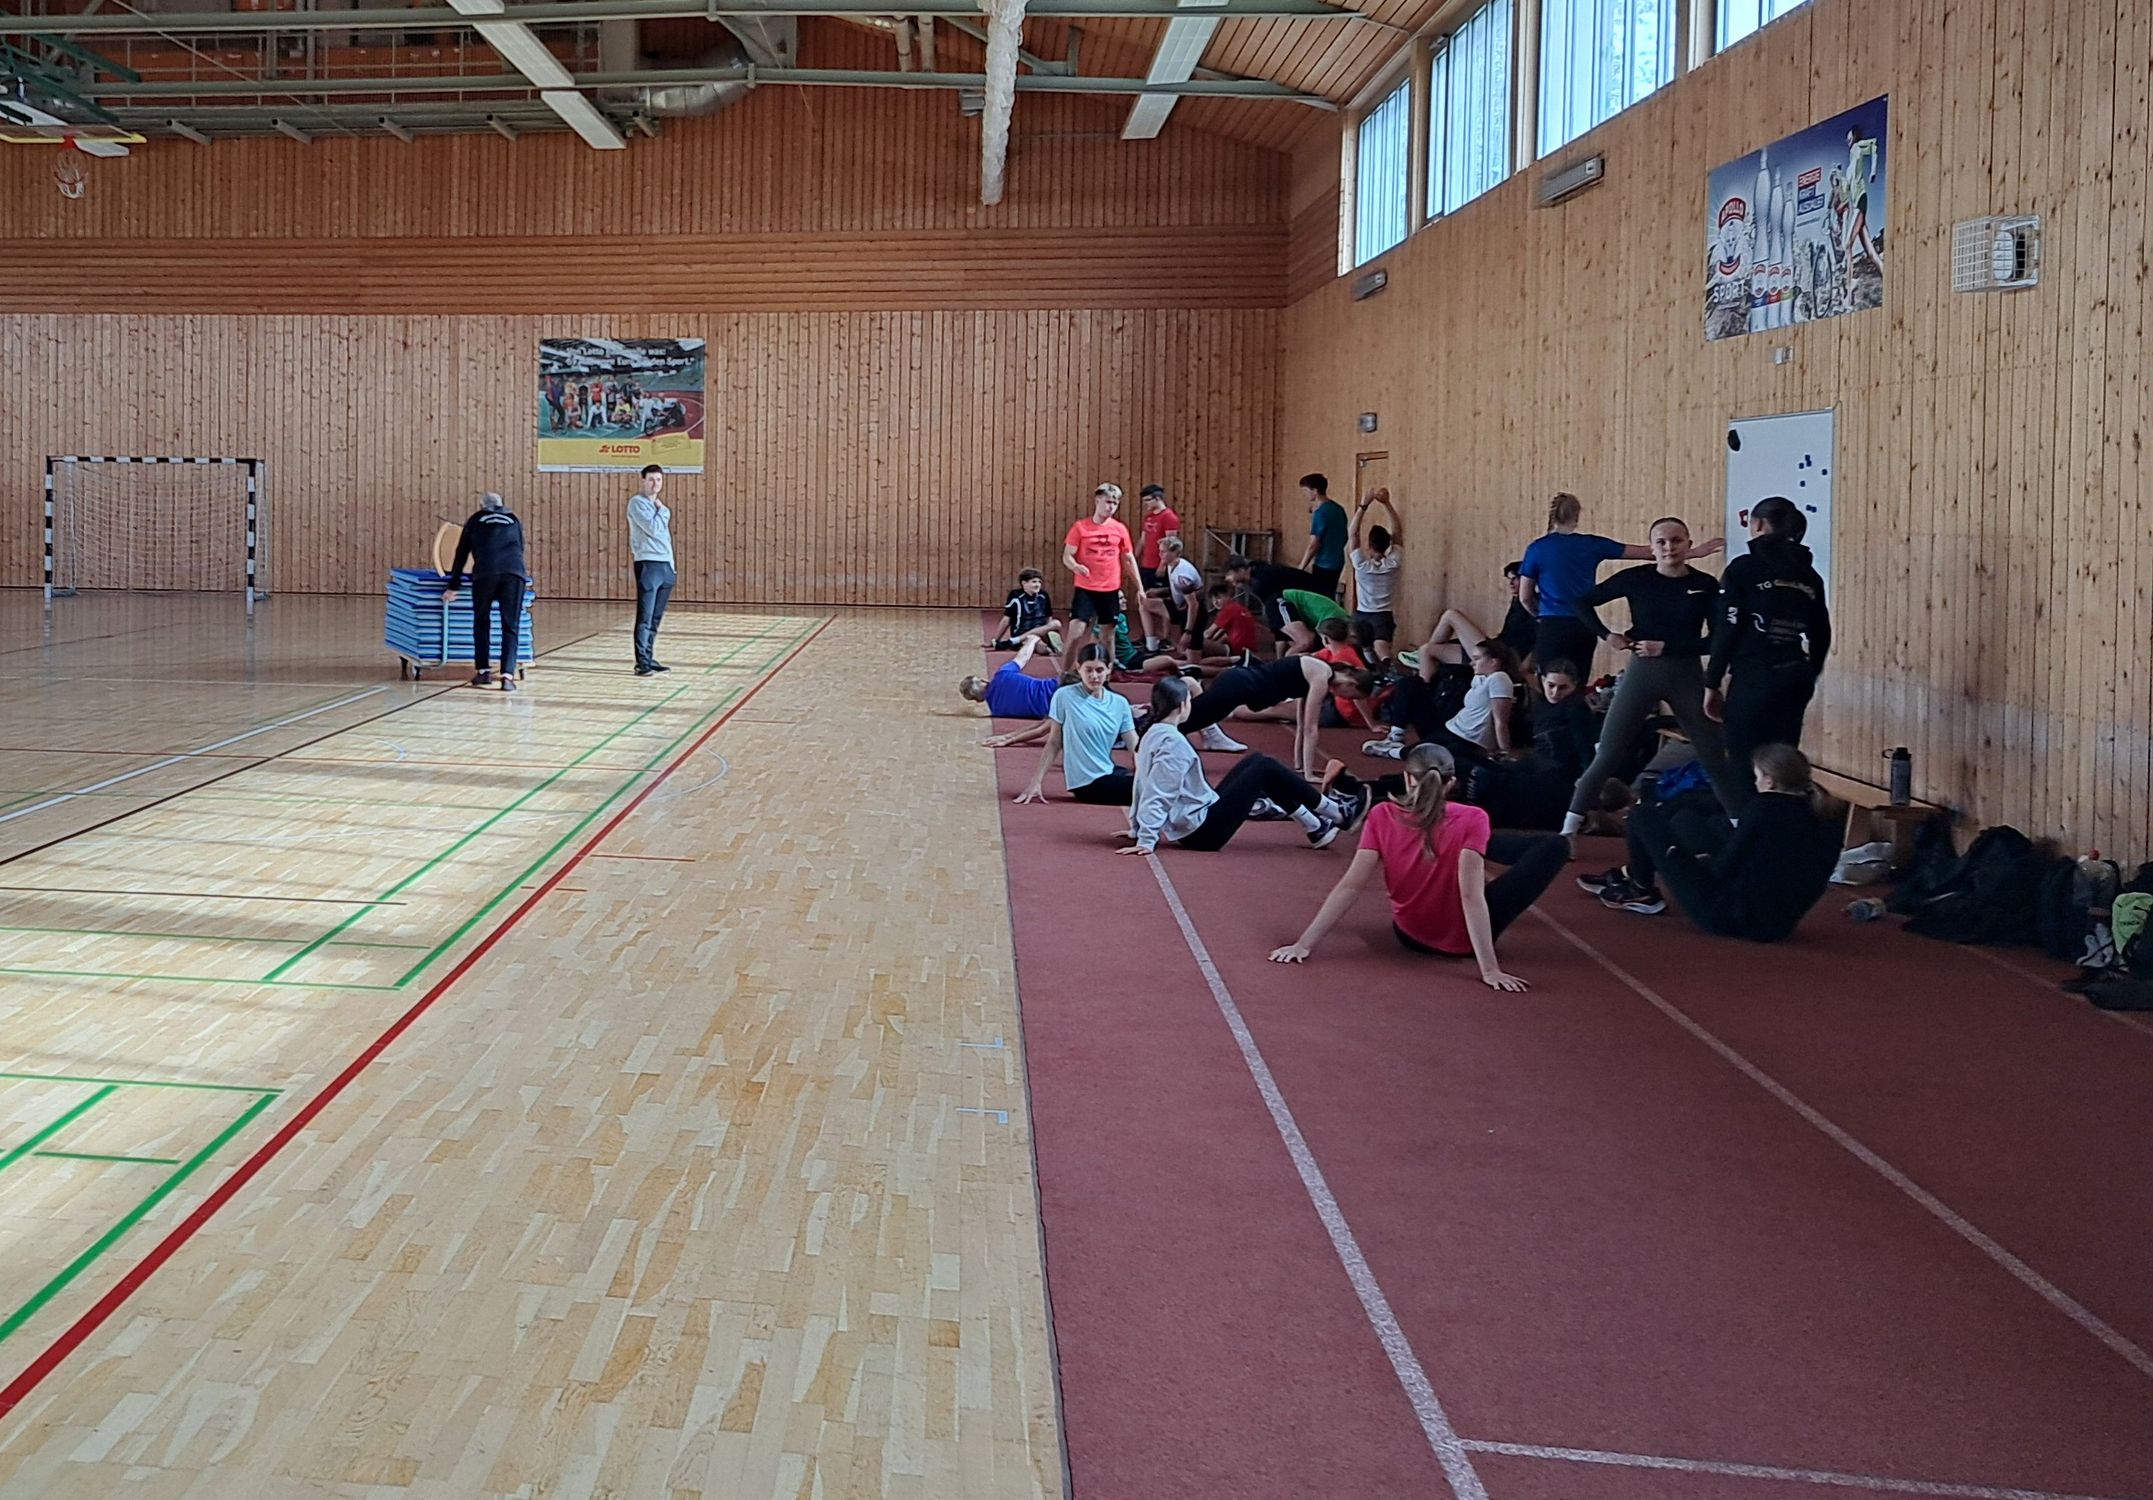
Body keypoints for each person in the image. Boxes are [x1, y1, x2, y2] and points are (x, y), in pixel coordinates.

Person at [1268, 743, 1565, 992]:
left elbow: (1350, 886)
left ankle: (1468, 846)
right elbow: (1471, 897)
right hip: (1463, 942)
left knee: (1466, 848)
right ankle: (1471, 845)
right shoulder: (1474, 817)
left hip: (1411, 935)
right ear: (1451, 783)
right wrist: (1489, 970)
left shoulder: (1381, 815)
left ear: (1407, 778)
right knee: (1556, 845)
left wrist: (1303, 944)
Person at [1558, 517, 1741, 837]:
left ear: (1688, 544)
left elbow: (1716, 640)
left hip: (1686, 675)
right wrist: (1606, 634)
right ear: (1652, 547)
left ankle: (1741, 831)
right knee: (1607, 755)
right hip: (1642, 674)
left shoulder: (1705, 585)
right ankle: (1567, 832)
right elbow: (1581, 602)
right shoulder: (1636, 578)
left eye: (1676, 541)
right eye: (1661, 542)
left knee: (1713, 756)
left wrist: (1667, 647)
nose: (1669, 547)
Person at [1581, 744, 1841, 940]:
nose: (1756, 783)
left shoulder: (1765, 807)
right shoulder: (1828, 815)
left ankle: (1640, 887)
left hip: (1728, 917)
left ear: (1770, 781)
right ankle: (1635, 879)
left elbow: (1723, 869)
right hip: (1780, 926)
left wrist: (1695, 865)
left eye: (1757, 777)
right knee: (1696, 827)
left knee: (1642, 816)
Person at [1122, 678, 1367, 855]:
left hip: (1196, 819)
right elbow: (1159, 791)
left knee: (1258, 763)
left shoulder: (1152, 732)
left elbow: (1140, 784)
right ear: (1183, 706)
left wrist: (1136, 827)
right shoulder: (1173, 743)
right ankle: (1336, 812)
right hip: (1202, 832)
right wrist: (1146, 838)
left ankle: (1315, 826)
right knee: (1265, 767)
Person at [1518, 493, 1722, 679]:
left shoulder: (1537, 549)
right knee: (1576, 683)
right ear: (1577, 517)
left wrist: (1538, 615)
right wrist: (1693, 553)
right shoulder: (1591, 544)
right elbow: (1649, 552)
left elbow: (1525, 597)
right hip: (1584, 626)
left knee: (1549, 683)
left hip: (1552, 623)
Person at [1704, 495, 1830, 796]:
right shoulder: (1809, 575)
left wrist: (1712, 682)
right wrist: (1810, 673)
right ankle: (1785, 818)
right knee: (1782, 763)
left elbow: (1728, 628)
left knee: (1744, 762)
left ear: (1758, 525)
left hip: (1755, 676)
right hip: (1794, 675)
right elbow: (1822, 632)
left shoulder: (1744, 569)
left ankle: (1747, 821)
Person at [1178, 653, 1366, 778]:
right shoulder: (1321, 677)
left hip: (1240, 684)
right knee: (1189, 721)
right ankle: (1183, 688)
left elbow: (1302, 725)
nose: (1346, 698)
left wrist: (1301, 767)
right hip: (1240, 686)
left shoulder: (1318, 671)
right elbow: (1311, 728)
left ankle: (1187, 688)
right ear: (1352, 684)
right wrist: (1308, 775)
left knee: (1193, 719)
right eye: (1352, 697)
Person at [1015, 645, 1139, 806]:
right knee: (1146, 790)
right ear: (1078, 668)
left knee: (1153, 783)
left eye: (1099, 670)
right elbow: (1054, 742)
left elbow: (1134, 745)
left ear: (1109, 669)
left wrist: (1143, 771)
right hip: (1086, 783)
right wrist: (1036, 782)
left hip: (1108, 770)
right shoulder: (1064, 696)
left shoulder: (1120, 703)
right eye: (1088, 670)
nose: (1094, 676)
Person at [440, 491, 529, 693]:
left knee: (481, 622)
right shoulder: (513, 519)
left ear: (482, 506)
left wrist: (453, 586)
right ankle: (507, 677)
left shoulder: (475, 520)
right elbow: (520, 548)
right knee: (511, 626)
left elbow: (461, 553)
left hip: (485, 573)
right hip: (514, 573)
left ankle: (483, 672)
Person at [1061, 484, 1144, 673]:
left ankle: (1106, 676)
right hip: (1086, 588)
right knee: (1076, 633)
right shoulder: (1080, 527)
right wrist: (1075, 566)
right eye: (1107, 502)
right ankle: (1065, 674)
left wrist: (1140, 588)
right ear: (1097, 500)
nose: (1111, 507)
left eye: (1115, 503)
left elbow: (1129, 559)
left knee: (1108, 636)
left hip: (1110, 589)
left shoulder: (1119, 529)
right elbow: (1067, 555)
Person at [963, 635, 1059, 747]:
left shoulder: (997, 711)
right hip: (1056, 686)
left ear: (978, 700)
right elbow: (1023, 657)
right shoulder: (1002, 675)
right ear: (983, 680)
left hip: (1050, 710)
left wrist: (1009, 737)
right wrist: (1032, 640)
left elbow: (1041, 729)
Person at [627, 464, 674, 676]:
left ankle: (649, 654)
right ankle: (641, 662)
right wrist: (663, 511)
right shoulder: (638, 503)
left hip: (665, 565)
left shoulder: (658, 507)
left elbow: (665, 538)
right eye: (651, 479)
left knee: (656, 617)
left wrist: (672, 567)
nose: (655, 484)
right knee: (645, 616)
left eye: (659, 480)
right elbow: (653, 529)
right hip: (649, 563)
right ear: (643, 481)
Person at [1349, 488, 1403, 657]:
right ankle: (1384, 666)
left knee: (1361, 656)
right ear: (1388, 544)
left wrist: (1363, 506)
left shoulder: (1361, 565)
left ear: (1368, 544)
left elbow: (1353, 534)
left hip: (1362, 615)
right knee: (1383, 653)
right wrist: (1387, 504)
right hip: (1383, 616)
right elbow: (1398, 532)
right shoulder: (1394, 563)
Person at [1138, 535, 1205, 653]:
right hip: (1178, 605)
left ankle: (1225, 652)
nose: (1160, 554)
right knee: (1144, 603)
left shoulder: (1182, 576)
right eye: (1159, 551)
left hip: (1191, 611)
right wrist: (1158, 591)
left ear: (1175, 553)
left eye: (1163, 552)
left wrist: (1188, 631)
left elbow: (1193, 604)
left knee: (1189, 655)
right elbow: (1177, 589)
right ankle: (1151, 644)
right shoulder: (1171, 564)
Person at [1296, 474, 1350, 598]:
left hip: (1323, 563)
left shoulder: (1320, 513)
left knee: (1320, 597)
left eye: (1306, 491)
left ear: (1315, 491)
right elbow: (1344, 536)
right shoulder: (1339, 509)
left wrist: (1301, 567)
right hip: (1338, 561)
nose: (1305, 494)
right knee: (1329, 594)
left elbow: (1314, 544)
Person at [995, 568, 1061, 652]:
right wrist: (996, 640)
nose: (1037, 585)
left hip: (1040, 632)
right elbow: (1006, 619)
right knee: (1044, 649)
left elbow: (1048, 618)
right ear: (1024, 583)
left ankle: (1014, 641)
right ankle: (1019, 641)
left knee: (1056, 623)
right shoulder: (1015, 596)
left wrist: (1049, 633)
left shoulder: (1044, 595)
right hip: (1022, 632)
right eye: (1034, 582)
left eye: (1039, 582)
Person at [1277, 587, 1351, 654]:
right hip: (1285, 599)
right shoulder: (1333, 621)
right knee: (1304, 642)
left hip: (1311, 616)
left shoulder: (1341, 623)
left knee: (1305, 643)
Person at [1135, 484, 1182, 591]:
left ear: (1157, 499)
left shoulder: (1169, 517)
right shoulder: (1149, 517)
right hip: (1146, 564)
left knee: (1157, 595)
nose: (1145, 504)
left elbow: (1171, 544)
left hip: (1158, 565)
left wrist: (1163, 565)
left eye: (1147, 500)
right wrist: (1134, 558)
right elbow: (1143, 540)